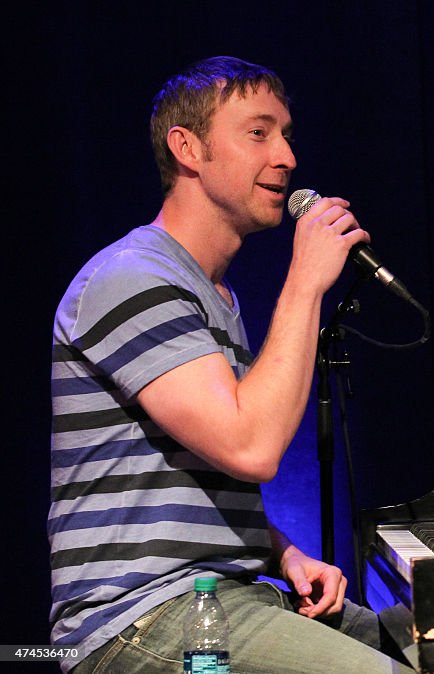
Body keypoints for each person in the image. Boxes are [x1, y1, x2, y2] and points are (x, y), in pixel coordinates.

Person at [48, 56, 415, 673]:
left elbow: (198, 479)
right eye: (258, 132)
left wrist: (282, 552)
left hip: (221, 598)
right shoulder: (132, 278)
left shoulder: (212, 295)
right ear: (187, 148)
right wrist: (305, 282)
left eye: (286, 134)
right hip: (135, 622)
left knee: (429, 643)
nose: (288, 157)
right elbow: (251, 448)